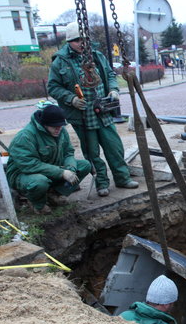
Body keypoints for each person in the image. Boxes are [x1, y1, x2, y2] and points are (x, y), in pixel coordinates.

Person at [48, 22, 138, 197]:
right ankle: (101, 183)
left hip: (102, 111)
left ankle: (122, 178)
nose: (81, 43)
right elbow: (53, 87)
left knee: (114, 146)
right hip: (82, 115)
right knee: (92, 152)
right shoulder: (60, 62)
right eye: (76, 40)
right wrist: (71, 99)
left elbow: (110, 75)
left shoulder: (96, 56)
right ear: (69, 41)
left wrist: (113, 89)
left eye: (84, 39)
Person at [5, 104, 91, 214]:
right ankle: (38, 204)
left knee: (84, 165)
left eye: (60, 126)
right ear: (44, 124)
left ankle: (55, 194)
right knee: (40, 181)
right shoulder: (25, 137)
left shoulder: (61, 131)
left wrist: (71, 169)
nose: (58, 129)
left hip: (51, 168)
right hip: (24, 174)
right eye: (55, 127)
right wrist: (61, 172)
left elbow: (68, 153)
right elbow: (29, 165)